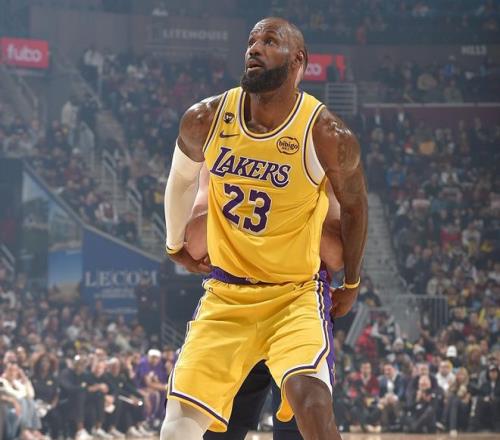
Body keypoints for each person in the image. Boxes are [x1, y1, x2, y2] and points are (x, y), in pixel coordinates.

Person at [163, 17, 367, 440]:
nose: (254, 48)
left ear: (298, 61)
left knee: (312, 406)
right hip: (227, 294)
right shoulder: (206, 117)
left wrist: (351, 281)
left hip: (294, 295)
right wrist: (173, 243)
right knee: (176, 430)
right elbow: (180, 178)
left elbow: (355, 206)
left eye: (270, 41)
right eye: (252, 41)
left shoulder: (325, 132)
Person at [185, 163, 344, 440]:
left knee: (299, 427)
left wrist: (287, 210)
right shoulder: (220, 159)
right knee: (215, 433)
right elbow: (195, 247)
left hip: (297, 305)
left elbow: (336, 257)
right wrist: (234, 202)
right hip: (234, 306)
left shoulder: (317, 161)